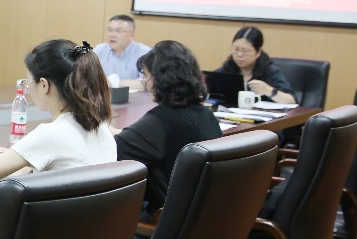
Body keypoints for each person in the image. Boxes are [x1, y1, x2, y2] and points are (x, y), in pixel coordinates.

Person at [0, 39, 116, 191]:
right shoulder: (102, 130)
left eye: (28, 83)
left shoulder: (51, 134)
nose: (28, 89)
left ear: (44, 85)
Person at [113, 40, 223, 218]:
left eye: (147, 77)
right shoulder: (206, 114)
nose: (146, 84)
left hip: (164, 223)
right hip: (207, 218)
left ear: (161, 80)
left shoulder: (160, 120)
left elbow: (112, 152)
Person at [218, 25, 296, 104]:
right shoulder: (225, 70)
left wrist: (268, 90)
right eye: (236, 49)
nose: (239, 54)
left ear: (258, 52)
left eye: (245, 51)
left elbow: (291, 101)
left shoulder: (271, 72)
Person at [93, 14, 151, 89]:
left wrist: (113, 82)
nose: (112, 35)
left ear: (131, 35)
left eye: (118, 31)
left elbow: (148, 82)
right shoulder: (99, 50)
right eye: (110, 30)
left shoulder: (144, 53)